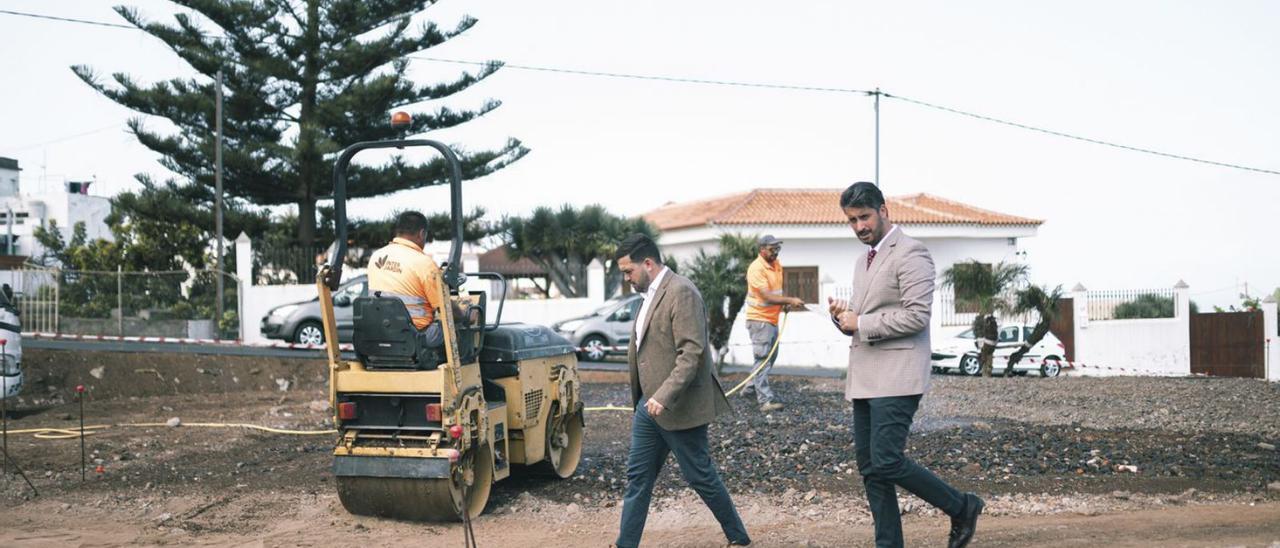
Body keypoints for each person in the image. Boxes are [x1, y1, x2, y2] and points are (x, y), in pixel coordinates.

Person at [828, 182, 984, 548]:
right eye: (851, 220)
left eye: (864, 217)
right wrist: (843, 318)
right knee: (871, 469)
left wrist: (861, 323)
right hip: (866, 376)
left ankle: (962, 506)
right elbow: (866, 315)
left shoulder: (911, 252)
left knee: (885, 460)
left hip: (898, 377)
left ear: (884, 211)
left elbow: (916, 316)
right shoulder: (862, 260)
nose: (859, 227)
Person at [612, 233, 750, 548]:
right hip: (648, 409)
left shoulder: (681, 292)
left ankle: (739, 538)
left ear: (647, 263)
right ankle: (626, 544)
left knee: (700, 476)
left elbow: (693, 353)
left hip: (678, 405)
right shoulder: (647, 295)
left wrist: (664, 394)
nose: (626, 278)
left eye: (628, 271)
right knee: (638, 478)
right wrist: (650, 398)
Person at [742, 234, 806, 412]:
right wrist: (789, 300)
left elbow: (776, 292)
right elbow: (767, 296)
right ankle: (765, 401)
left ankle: (749, 389)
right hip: (759, 320)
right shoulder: (756, 269)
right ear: (762, 250)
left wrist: (784, 303)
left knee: (770, 358)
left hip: (771, 319)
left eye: (778, 248)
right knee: (763, 359)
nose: (776, 252)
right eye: (772, 249)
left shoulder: (776, 265)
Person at [366, 211, 445, 348]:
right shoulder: (424, 263)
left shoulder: (376, 257)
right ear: (421, 234)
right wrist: (466, 315)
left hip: (380, 333)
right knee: (453, 326)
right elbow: (444, 307)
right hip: (416, 337)